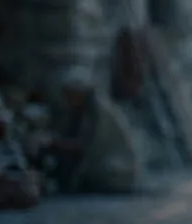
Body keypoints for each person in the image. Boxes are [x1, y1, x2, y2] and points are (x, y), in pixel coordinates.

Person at [49, 66, 141, 194]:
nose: (68, 99)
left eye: (71, 94)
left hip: (115, 171)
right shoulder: (79, 112)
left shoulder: (99, 113)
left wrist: (57, 144)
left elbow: (87, 146)